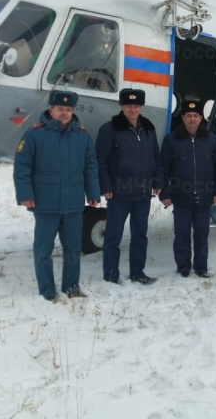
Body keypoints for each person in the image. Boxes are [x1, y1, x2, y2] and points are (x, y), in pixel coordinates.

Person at [13, 90, 100, 301]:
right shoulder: (34, 135)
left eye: (68, 109)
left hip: (73, 204)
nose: (64, 113)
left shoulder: (82, 137)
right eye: (60, 109)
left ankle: (71, 287)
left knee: (73, 249)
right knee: (43, 251)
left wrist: (93, 193)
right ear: (51, 110)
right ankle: (47, 290)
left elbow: (91, 167)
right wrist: (25, 194)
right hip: (45, 204)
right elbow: (22, 167)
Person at [95, 88, 162, 285]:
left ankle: (137, 272)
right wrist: (105, 186)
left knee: (140, 235)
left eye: (136, 106)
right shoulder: (109, 130)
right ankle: (111, 275)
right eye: (128, 106)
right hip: (118, 193)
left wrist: (157, 182)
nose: (132, 109)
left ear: (140, 107)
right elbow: (101, 160)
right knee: (113, 236)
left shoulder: (148, 129)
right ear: (122, 107)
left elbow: (156, 158)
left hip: (142, 193)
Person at [160, 100, 216, 278]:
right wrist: (165, 193)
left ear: (201, 118)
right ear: (182, 117)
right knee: (181, 234)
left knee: (202, 234)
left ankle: (201, 267)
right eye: (188, 116)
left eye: (195, 116)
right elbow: (164, 168)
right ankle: (183, 267)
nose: (191, 119)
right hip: (181, 196)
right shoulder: (171, 140)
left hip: (204, 197)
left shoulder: (211, 140)